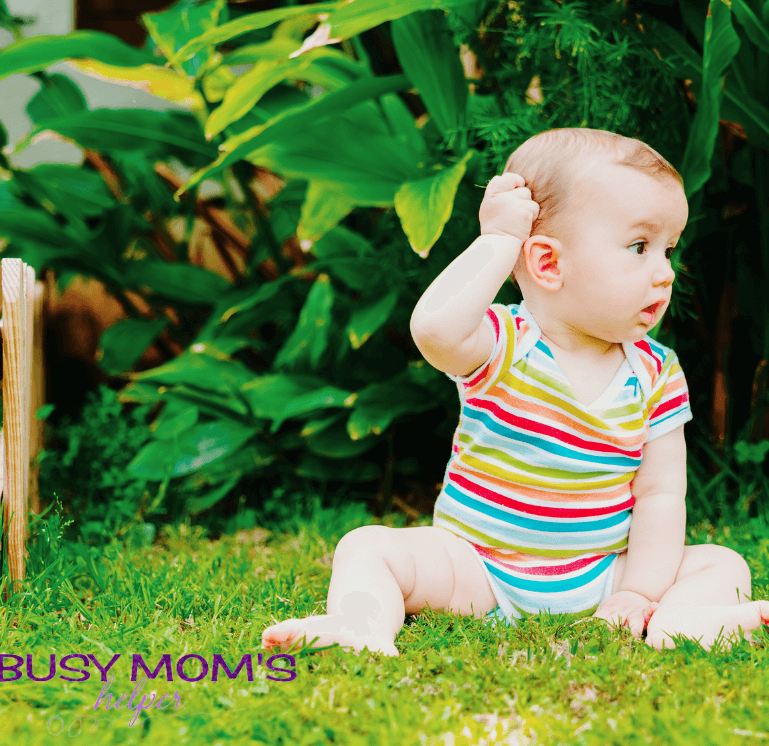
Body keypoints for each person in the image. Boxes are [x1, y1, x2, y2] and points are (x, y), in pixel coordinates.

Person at [261, 128, 768, 655]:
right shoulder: (502, 344)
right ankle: (361, 624)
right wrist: (498, 243)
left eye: (668, 249)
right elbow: (434, 331)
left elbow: (661, 495)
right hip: (478, 569)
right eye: (640, 247)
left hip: (601, 578)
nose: (664, 273)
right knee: (367, 546)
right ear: (548, 263)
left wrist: (637, 591)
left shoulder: (656, 372)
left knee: (720, 562)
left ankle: (684, 622)